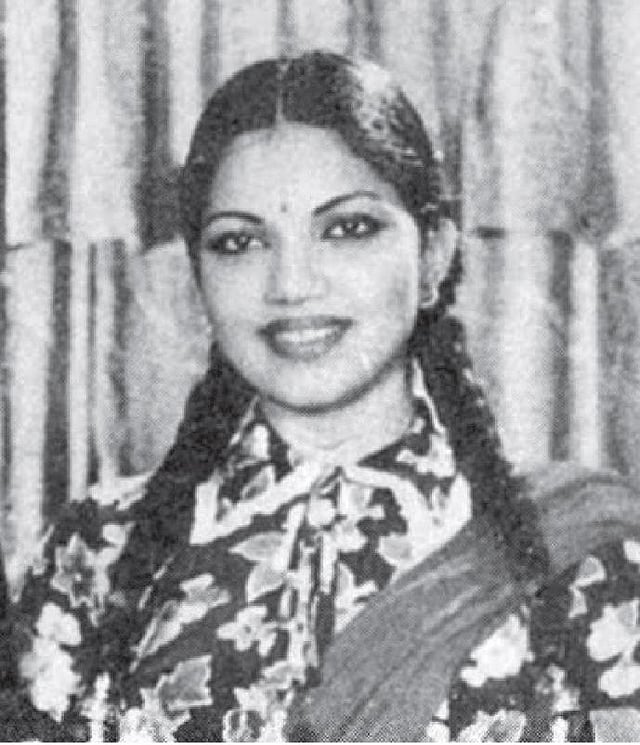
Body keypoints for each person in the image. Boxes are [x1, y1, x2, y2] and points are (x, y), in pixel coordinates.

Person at [8, 50, 640, 742]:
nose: (291, 284)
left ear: (433, 254)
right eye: (239, 241)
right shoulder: (100, 553)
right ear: (199, 275)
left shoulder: (576, 555)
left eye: (347, 228)